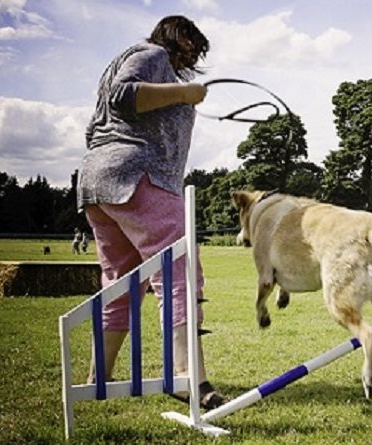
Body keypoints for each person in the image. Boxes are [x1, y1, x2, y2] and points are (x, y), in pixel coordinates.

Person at [77, 15, 226, 409]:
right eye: (191, 44)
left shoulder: (128, 62)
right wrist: (185, 94)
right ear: (177, 35)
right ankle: (183, 375)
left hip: (99, 183)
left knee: (120, 286)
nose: (192, 55)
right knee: (179, 272)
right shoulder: (152, 53)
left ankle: (98, 377)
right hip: (140, 177)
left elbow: (102, 121)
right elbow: (124, 97)